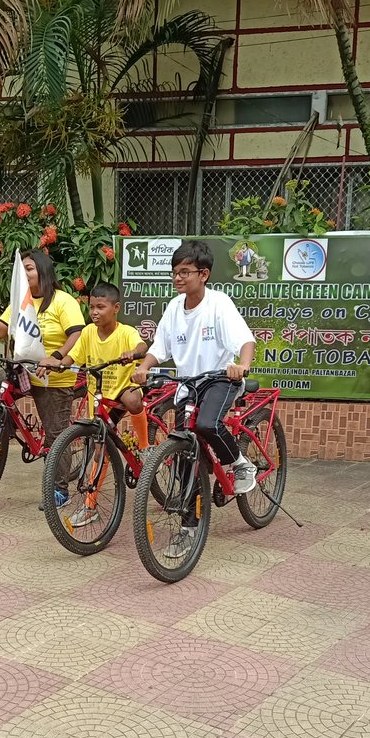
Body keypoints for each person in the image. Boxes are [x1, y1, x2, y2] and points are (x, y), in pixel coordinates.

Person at [133, 239, 256, 559]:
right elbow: (159, 348)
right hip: (188, 386)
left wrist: (241, 366)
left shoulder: (219, 304)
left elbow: (245, 341)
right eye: (175, 272)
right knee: (187, 457)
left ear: (204, 274)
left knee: (207, 424)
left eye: (185, 272)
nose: (178, 278)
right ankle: (188, 529)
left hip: (219, 380)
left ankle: (241, 465)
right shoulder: (174, 308)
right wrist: (144, 367)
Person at [0, 249, 83, 508]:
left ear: (43, 271)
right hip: (24, 370)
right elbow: (1, 327)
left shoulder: (63, 301)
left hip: (53, 378)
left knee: (56, 437)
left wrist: (57, 357)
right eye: (22, 269)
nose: (25, 274)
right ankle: (12, 426)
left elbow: (77, 334)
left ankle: (59, 491)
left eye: (30, 268)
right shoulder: (22, 301)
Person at [40, 280, 148, 528]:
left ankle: (145, 446)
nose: (95, 312)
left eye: (101, 307)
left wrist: (133, 353)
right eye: (92, 308)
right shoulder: (88, 332)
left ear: (116, 308)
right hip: (99, 397)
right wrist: (60, 363)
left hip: (121, 389)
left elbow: (142, 345)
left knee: (133, 400)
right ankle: (90, 507)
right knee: (100, 450)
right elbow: (72, 355)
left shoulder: (125, 332)